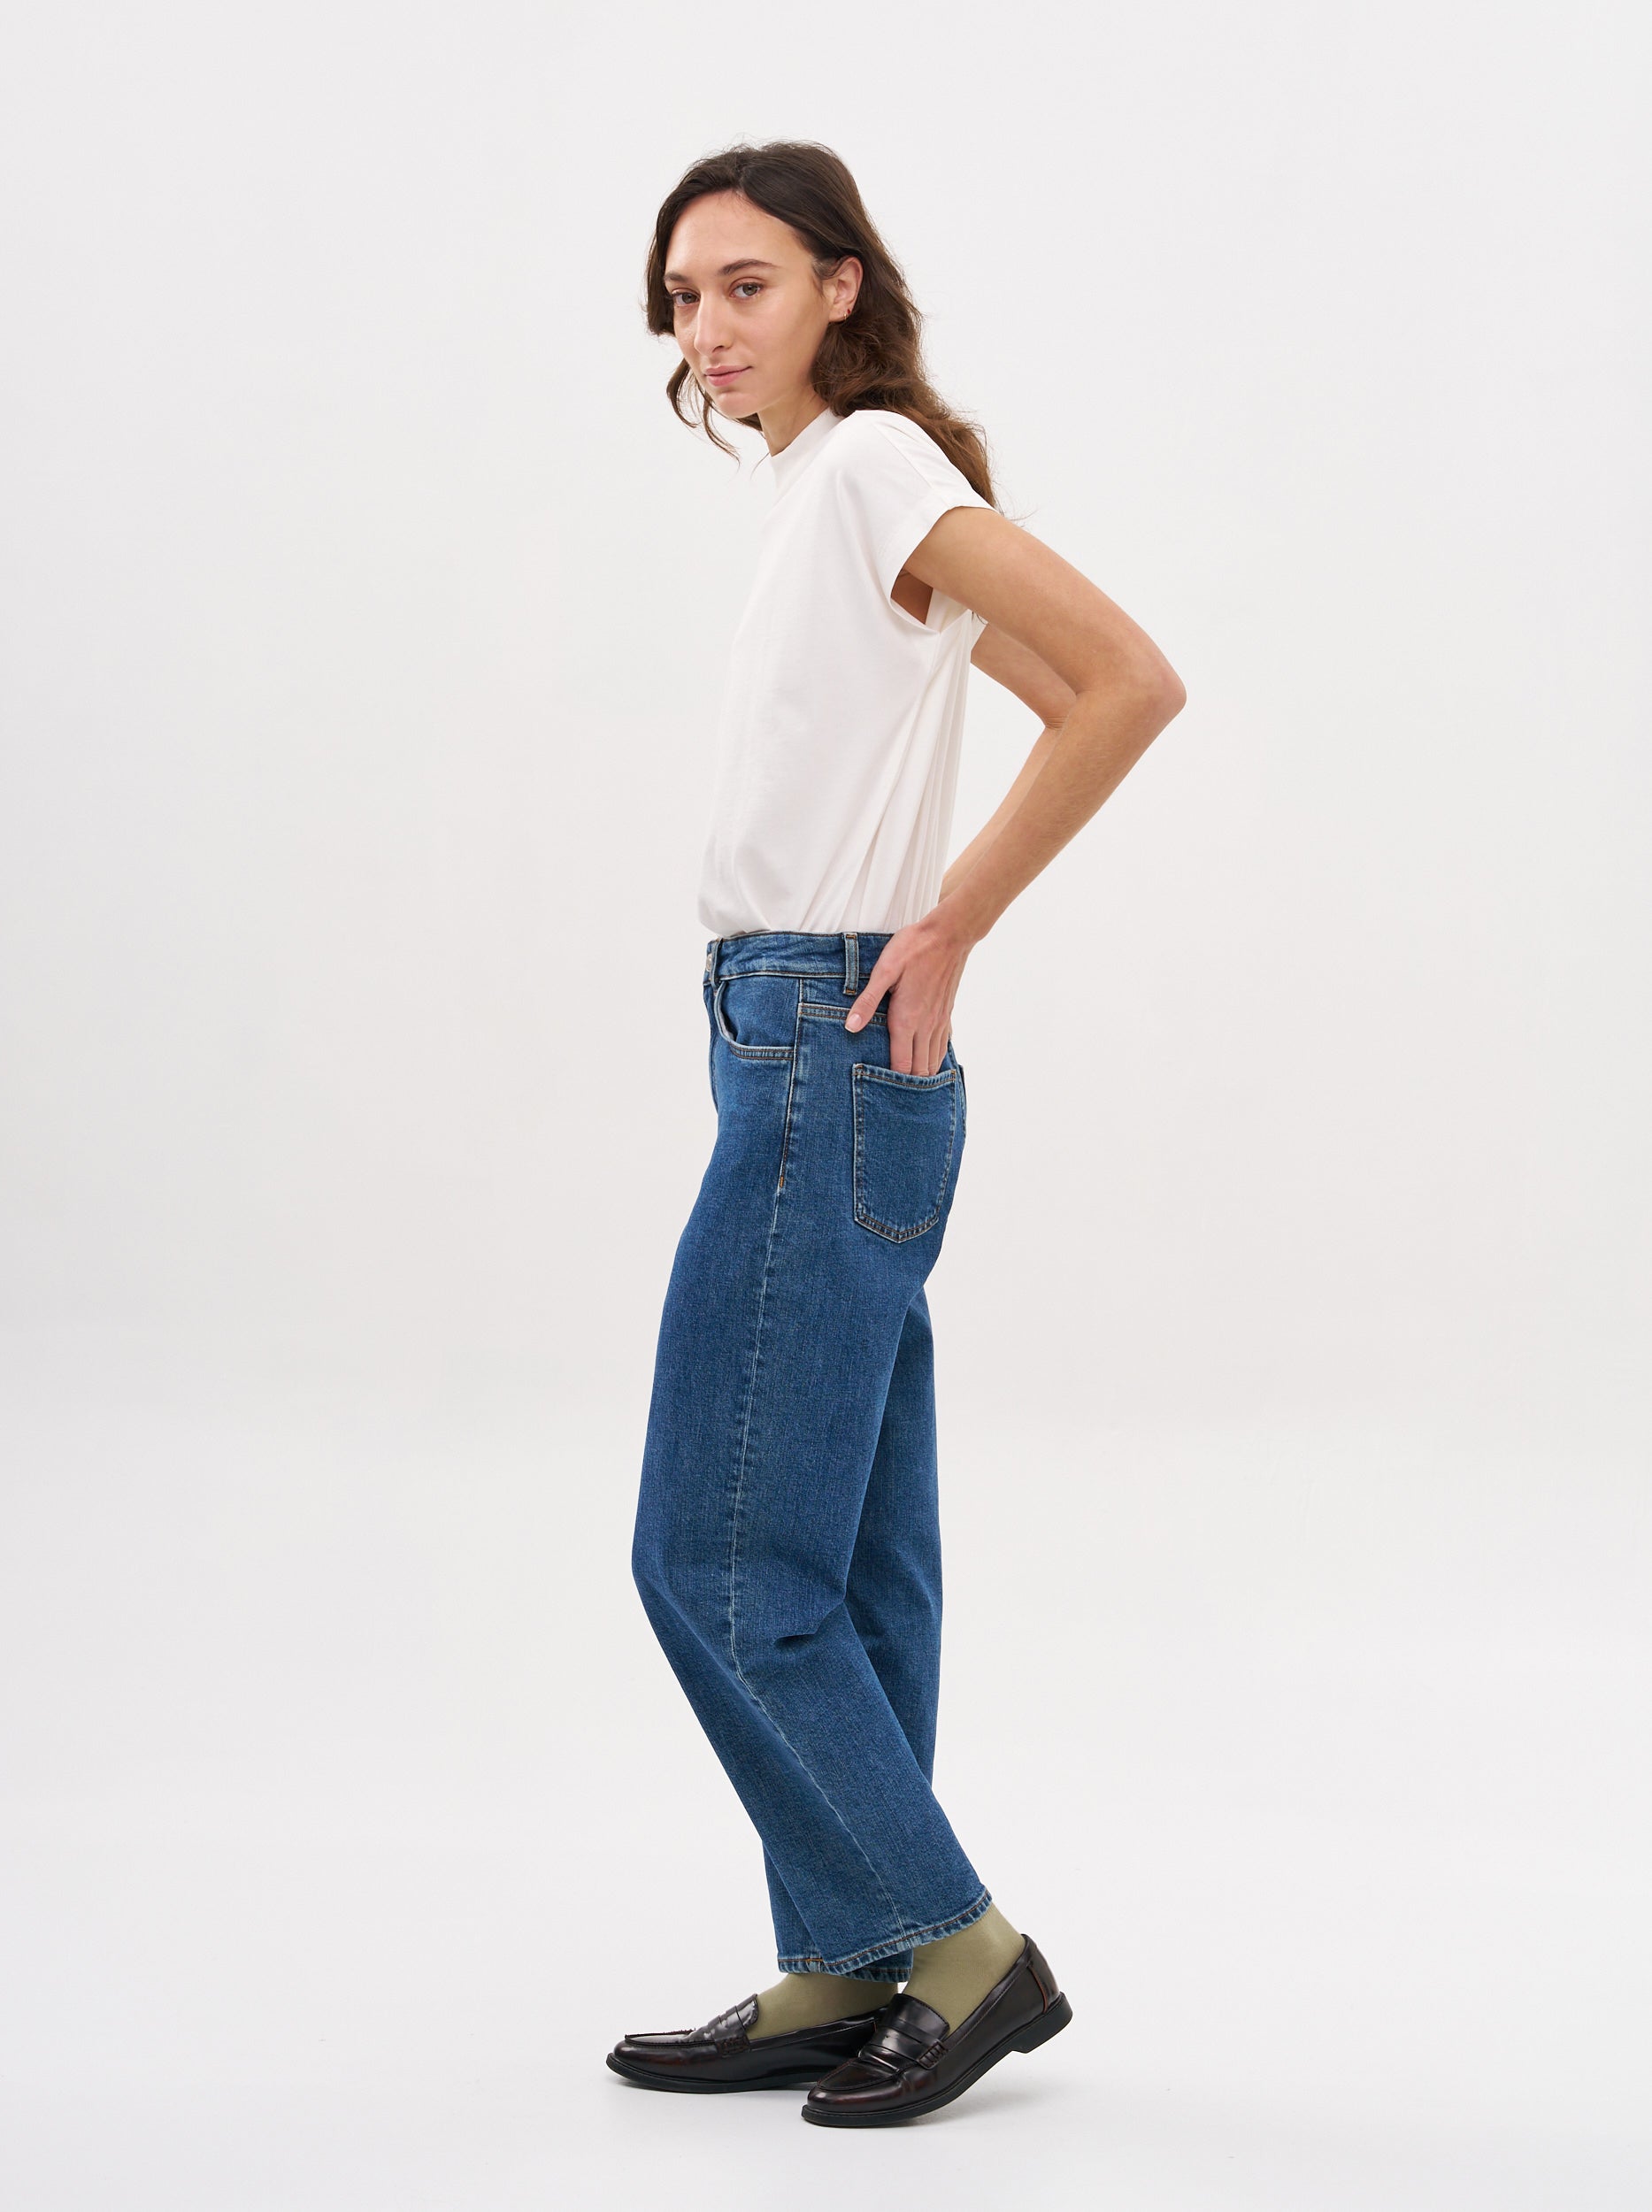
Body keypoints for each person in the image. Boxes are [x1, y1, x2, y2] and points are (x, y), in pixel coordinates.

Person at [606, 141, 1187, 2129]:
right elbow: (1030, 680)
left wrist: (950, 920)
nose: (709, 328)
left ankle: (956, 1947)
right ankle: (853, 1959)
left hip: (820, 1036)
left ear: (840, 285)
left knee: (711, 1550)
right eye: (684, 298)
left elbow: (1124, 683)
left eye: (747, 285)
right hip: (795, 1042)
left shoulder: (868, 465)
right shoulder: (831, 499)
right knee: (846, 1551)